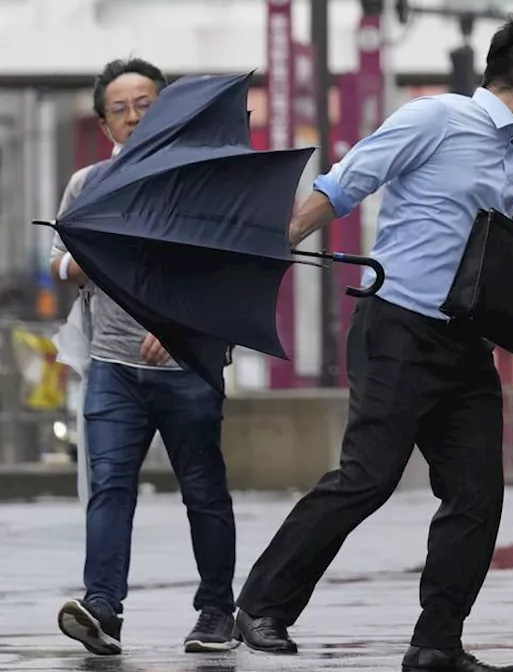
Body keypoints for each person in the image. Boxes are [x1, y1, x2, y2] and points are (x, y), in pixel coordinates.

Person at [232, 10, 513, 672]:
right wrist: (269, 252)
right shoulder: (433, 119)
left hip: (468, 345)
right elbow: (344, 183)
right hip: (400, 328)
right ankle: (262, 605)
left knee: (477, 494)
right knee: (368, 476)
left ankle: (437, 643)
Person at [50, 58, 238, 655]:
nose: (133, 116)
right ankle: (103, 607)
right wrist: (82, 256)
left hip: (188, 367)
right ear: (105, 123)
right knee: (109, 486)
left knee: (203, 490)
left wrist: (185, 328)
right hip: (112, 366)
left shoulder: (204, 181)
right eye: (120, 108)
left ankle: (216, 612)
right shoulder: (88, 185)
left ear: (166, 109)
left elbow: (232, 269)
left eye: (145, 104)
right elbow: (57, 262)